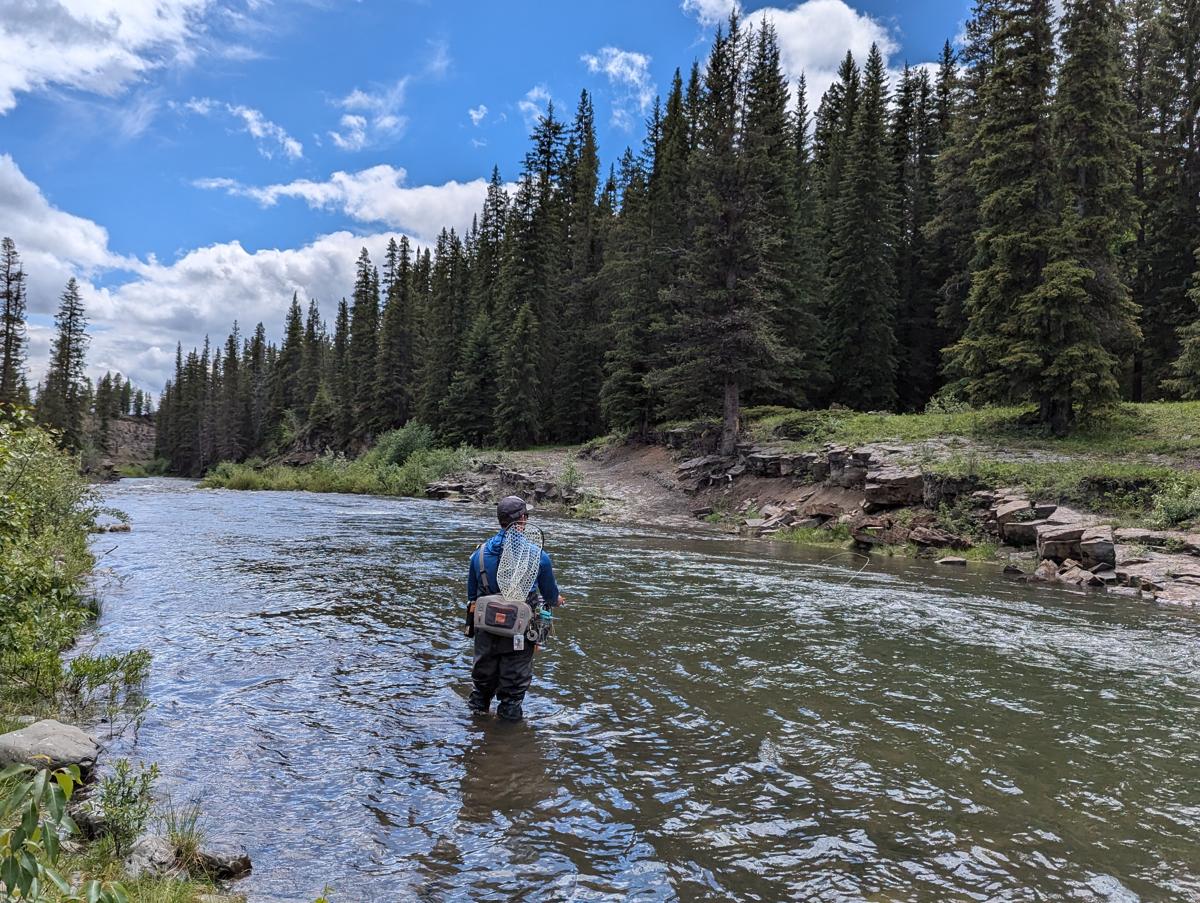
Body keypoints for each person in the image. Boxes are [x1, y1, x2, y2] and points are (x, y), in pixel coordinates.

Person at [466, 495, 564, 721]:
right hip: (518, 634)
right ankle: (508, 744)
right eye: (526, 516)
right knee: (512, 696)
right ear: (521, 520)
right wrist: (557, 600)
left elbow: (472, 597)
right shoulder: (539, 556)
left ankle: (475, 736)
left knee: (481, 691)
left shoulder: (478, 555)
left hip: (485, 632)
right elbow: (550, 596)